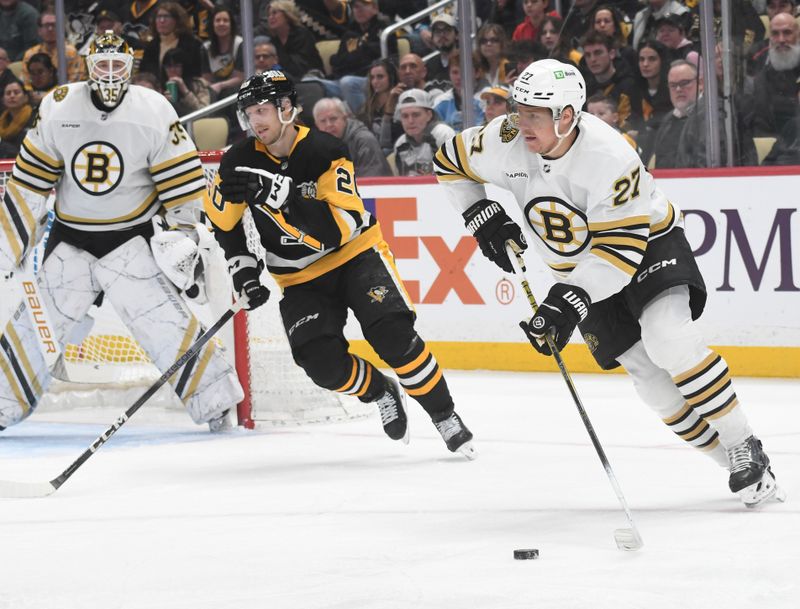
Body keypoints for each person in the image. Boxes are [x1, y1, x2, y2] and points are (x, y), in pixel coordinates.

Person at [433, 58, 784, 508]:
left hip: (647, 245)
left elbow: (617, 256)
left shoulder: (610, 157)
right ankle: (732, 461)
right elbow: (448, 161)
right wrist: (480, 215)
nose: (520, 123)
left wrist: (565, 303)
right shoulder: (505, 139)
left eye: (534, 114)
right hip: (575, 269)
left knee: (669, 340)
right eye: (519, 109)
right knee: (649, 379)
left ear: (567, 116)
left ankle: (744, 442)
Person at [204, 71, 475, 458]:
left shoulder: (325, 150)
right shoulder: (238, 162)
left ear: (285, 108)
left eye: (262, 110)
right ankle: (379, 390)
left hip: (356, 257)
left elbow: (339, 230)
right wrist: (243, 271)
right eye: (249, 112)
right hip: (299, 279)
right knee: (321, 364)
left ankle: (445, 415)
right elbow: (224, 224)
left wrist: (282, 200)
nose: (255, 121)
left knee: (393, 337)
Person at [0, 32, 243, 432]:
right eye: (102, 65)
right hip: (71, 239)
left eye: (118, 66)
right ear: (88, 68)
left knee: (164, 324)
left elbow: (182, 188)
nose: (110, 74)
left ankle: (216, 404)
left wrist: (185, 236)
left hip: (130, 240)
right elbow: (29, 184)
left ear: (130, 68)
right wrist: (10, 244)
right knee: (36, 327)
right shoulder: (58, 107)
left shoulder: (153, 109)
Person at [312, 96, 391, 177]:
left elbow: (372, 180)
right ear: (317, 125)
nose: (328, 125)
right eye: (323, 121)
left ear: (345, 118)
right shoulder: (315, 146)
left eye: (333, 119)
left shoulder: (364, 140)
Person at [393, 88, 455, 176]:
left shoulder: (443, 134)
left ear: (429, 115)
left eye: (416, 115)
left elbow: (457, 177)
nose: (410, 121)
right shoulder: (400, 143)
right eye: (405, 116)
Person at [21, 10, 86, 87]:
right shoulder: (30, 54)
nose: (50, 29)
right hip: (35, 96)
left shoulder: (71, 53)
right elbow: (25, 83)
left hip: (62, 95)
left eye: (54, 25)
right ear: (39, 31)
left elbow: (75, 82)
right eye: (46, 25)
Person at [266, 0, 323, 80]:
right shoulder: (273, 40)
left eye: (274, 13)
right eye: (269, 15)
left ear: (287, 15)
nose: (270, 17)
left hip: (310, 77)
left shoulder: (302, 35)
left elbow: (299, 68)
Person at [203, 4, 244, 99]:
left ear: (231, 24)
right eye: (217, 20)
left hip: (237, 91)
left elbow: (240, 77)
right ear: (212, 24)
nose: (221, 23)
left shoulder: (240, 44)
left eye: (225, 20)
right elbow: (207, 79)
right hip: (215, 92)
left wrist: (220, 85)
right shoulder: (205, 48)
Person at [0, 80, 34, 157]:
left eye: (16, 92)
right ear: (3, 100)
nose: (12, 96)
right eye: (8, 93)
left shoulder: (35, 118)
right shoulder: (2, 120)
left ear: (25, 97)